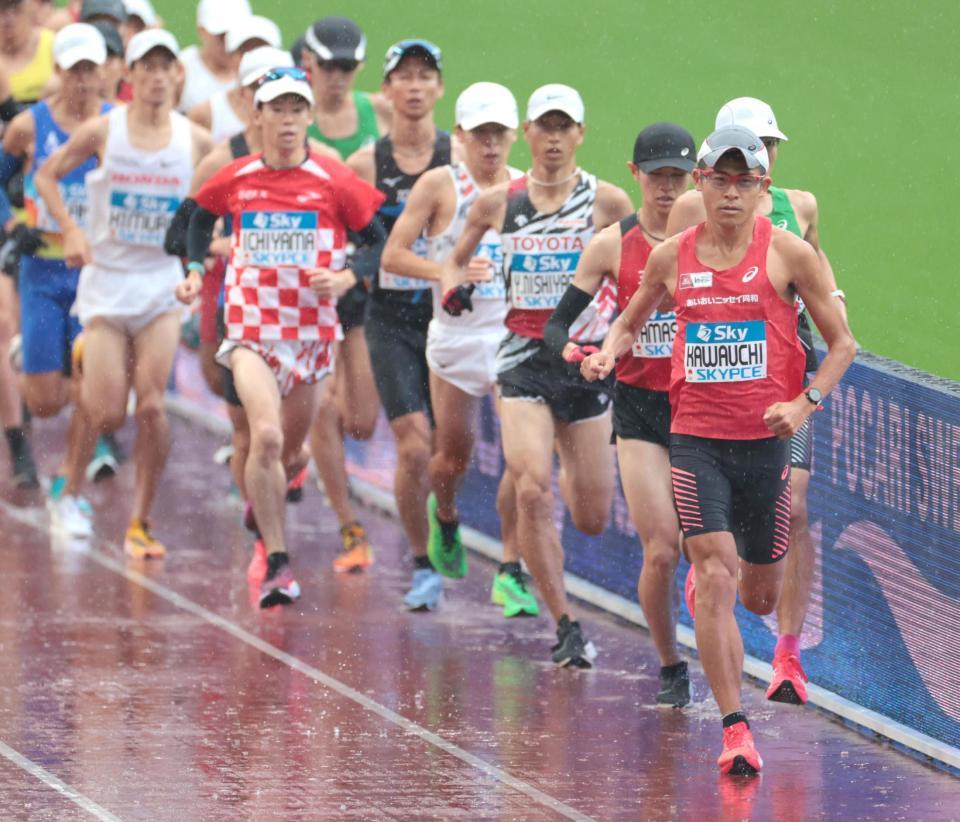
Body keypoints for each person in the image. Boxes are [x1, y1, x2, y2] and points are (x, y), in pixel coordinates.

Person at [582, 125, 855, 774]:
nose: (730, 194)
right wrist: (608, 352)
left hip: (765, 445)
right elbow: (632, 316)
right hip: (696, 440)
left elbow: (843, 344)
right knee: (713, 576)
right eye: (719, 180)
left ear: (762, 187)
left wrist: (803, 404)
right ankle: (736, 729)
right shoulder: (673, 256)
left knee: (758, 595)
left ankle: (732, 602)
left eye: (744, 182)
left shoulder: (789, 255)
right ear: (699, 184)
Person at [441, 84, 633, 663]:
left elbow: (646, 266)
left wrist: (627, 328)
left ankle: (569, 463)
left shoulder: (608, 203)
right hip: (521, 360)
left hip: (583, 363)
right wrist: (456, 282)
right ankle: (565, 624)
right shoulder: (497, 202)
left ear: (580, 134)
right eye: (543, 127)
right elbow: (455, 257)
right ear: (528, 133)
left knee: (592, 516)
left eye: (563, 127)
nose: (552, 139)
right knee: (530, 489)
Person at [181, 67, 385, 607]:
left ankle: (261, 499)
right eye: (278, 109)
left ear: (309, 116)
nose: (288, 120)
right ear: (259, 116)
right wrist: (197, 270)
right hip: (250, 330)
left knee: (291, 455)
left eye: (298, 109)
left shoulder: (334, 179)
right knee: (265, 437)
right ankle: (277, 562)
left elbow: (379, 240)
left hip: (312, 335)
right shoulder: (237, 176)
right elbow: (194, 222)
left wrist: (347, 276)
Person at [666, 97, 848, 706]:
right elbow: (678, 282)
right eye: (746, 147)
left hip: (785, 388)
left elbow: (822, 273)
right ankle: (710, 560)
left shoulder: (801, 207)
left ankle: (788, 655)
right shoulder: (698, 206)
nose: (760, 156)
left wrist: (831, 299)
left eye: (768, 145)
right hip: (717, 401)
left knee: (794, 506)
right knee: (728, 562)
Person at [35, 28, 214, 557]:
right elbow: (45, 176)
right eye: (147, 68)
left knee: (154, 407)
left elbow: (221, 203)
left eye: (166, 68)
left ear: (176, 76)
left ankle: (140, 521)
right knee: (108, 412)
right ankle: (68, 486)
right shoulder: (104, 130)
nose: (157, 78)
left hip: (160, 287)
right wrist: (69, 227)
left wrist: (201, 259)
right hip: (108, 286)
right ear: (129, 76)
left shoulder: (196, 142)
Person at [544, 122, 695, 698]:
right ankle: (670, 664)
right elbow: (559, 323)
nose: (666, 189)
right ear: (635, 176)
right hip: (638, 413)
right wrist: (576, 353)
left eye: (677, 178)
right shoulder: (611, 244)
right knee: (661, 549)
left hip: (703, 410)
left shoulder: (711, 243)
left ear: (694, 180)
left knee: (707, 552)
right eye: (656, 177)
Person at [380, 82, 537, 616]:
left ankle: (511, 569)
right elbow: (393, 257)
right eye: (480, 135)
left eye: (500, 134)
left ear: (515, 135)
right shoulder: (438, 186)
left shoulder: (529, 188)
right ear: (462, 135)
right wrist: (446, 271)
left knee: (523, 458)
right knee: (452, 458)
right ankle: (444, 515)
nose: (491, 146)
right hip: (454, 339)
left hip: (511, 341)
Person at [327, 39, 452, 602]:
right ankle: (423, 561)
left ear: (440, 89)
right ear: (387, 90)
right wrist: (358, 268)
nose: (416, 86)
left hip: (452, 318)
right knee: (413, 446)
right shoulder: (364, 165)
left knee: (450, 449)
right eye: (404, 76)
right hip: (391, 317)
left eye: (426, 76)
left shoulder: (458, 158)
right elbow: (343, 238)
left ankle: (447, 517)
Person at [2, 22, 110, 530]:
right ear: (60, 72)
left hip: (97, 277)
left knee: (94, 390)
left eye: (92, 69)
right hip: (42, 271)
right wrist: (10, 219)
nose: (85, 81)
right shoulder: (29, 125)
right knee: (45, 404)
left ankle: (69, 487)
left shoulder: (120, 125)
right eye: (75, 71)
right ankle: (32, 357)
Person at [302, 16, 390, 158]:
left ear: (360, 64)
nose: (337, 76)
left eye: (347, 65)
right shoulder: (291, 116)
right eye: (328, 65)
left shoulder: (384, 110)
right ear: (307, 59)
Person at [186, 15, 281, 142]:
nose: (255, 59)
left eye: (261, 49)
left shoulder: (298, 107)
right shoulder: (205, 114)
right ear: (230, 57)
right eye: (245, 51)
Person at [177, 0, 250, 113]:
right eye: (221, 35)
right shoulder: (181, 68)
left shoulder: (256, 69)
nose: (228, 43)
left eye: (234, 35)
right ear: (201, 31)